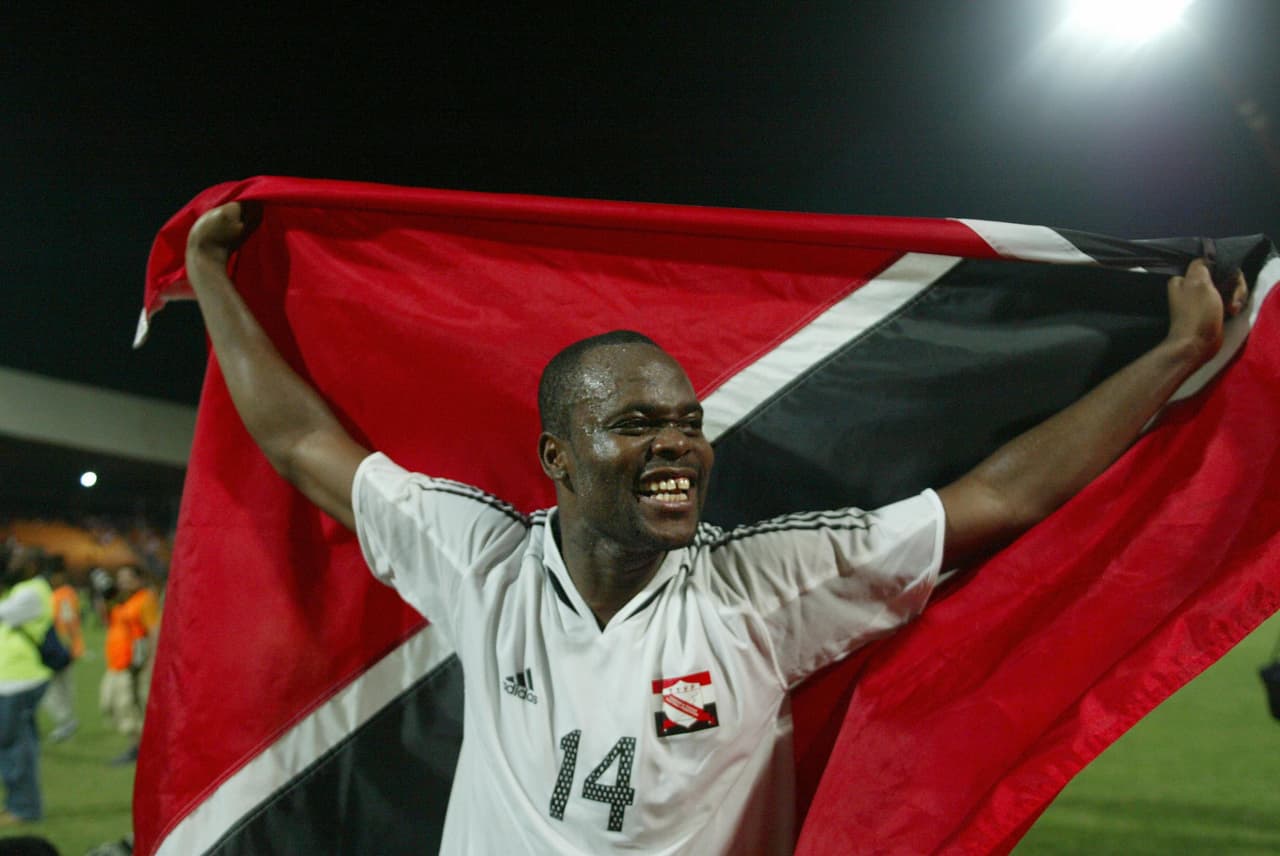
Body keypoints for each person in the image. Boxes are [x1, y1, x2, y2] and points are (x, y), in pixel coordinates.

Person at [184, 201, 1248, 853]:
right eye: (636, 425)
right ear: (557, 455)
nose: (677, 447)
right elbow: (298, 443)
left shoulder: (763, 587)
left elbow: (995, 499)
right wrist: (210, 279)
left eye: (688, 424)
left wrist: (1166, 359)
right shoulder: (484, 559)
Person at [0, 549, 54, 824]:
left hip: (20, 680)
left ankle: (23, 808)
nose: (11, 563)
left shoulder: (32, 591)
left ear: (32, 564)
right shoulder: (23, 589)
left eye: (17, 559)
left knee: (14, 745)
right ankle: (19, 804)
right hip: (13, 680)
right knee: (17, 744)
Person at [99, 566, 160, 766]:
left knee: (129, 707)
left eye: (127, 579)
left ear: (139, 579)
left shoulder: (145, 598)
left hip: (134, 664)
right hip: (116, 662)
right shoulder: (121, 600)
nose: (123, 583)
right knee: (109, 704)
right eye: (120, 579)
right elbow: (106, 622)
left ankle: (139, 748)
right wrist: (104, 598)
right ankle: (142, 745)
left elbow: (153, 630)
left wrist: (151, 661)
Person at [42, 569, 83, 743]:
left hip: (59, 647)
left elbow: (67, 620)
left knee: (51, 688)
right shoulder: (67, 593)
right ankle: (67, 721)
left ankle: (64, 721)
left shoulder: (61, 595)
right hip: (64, 646)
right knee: (63, 686)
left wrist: (69, 647)